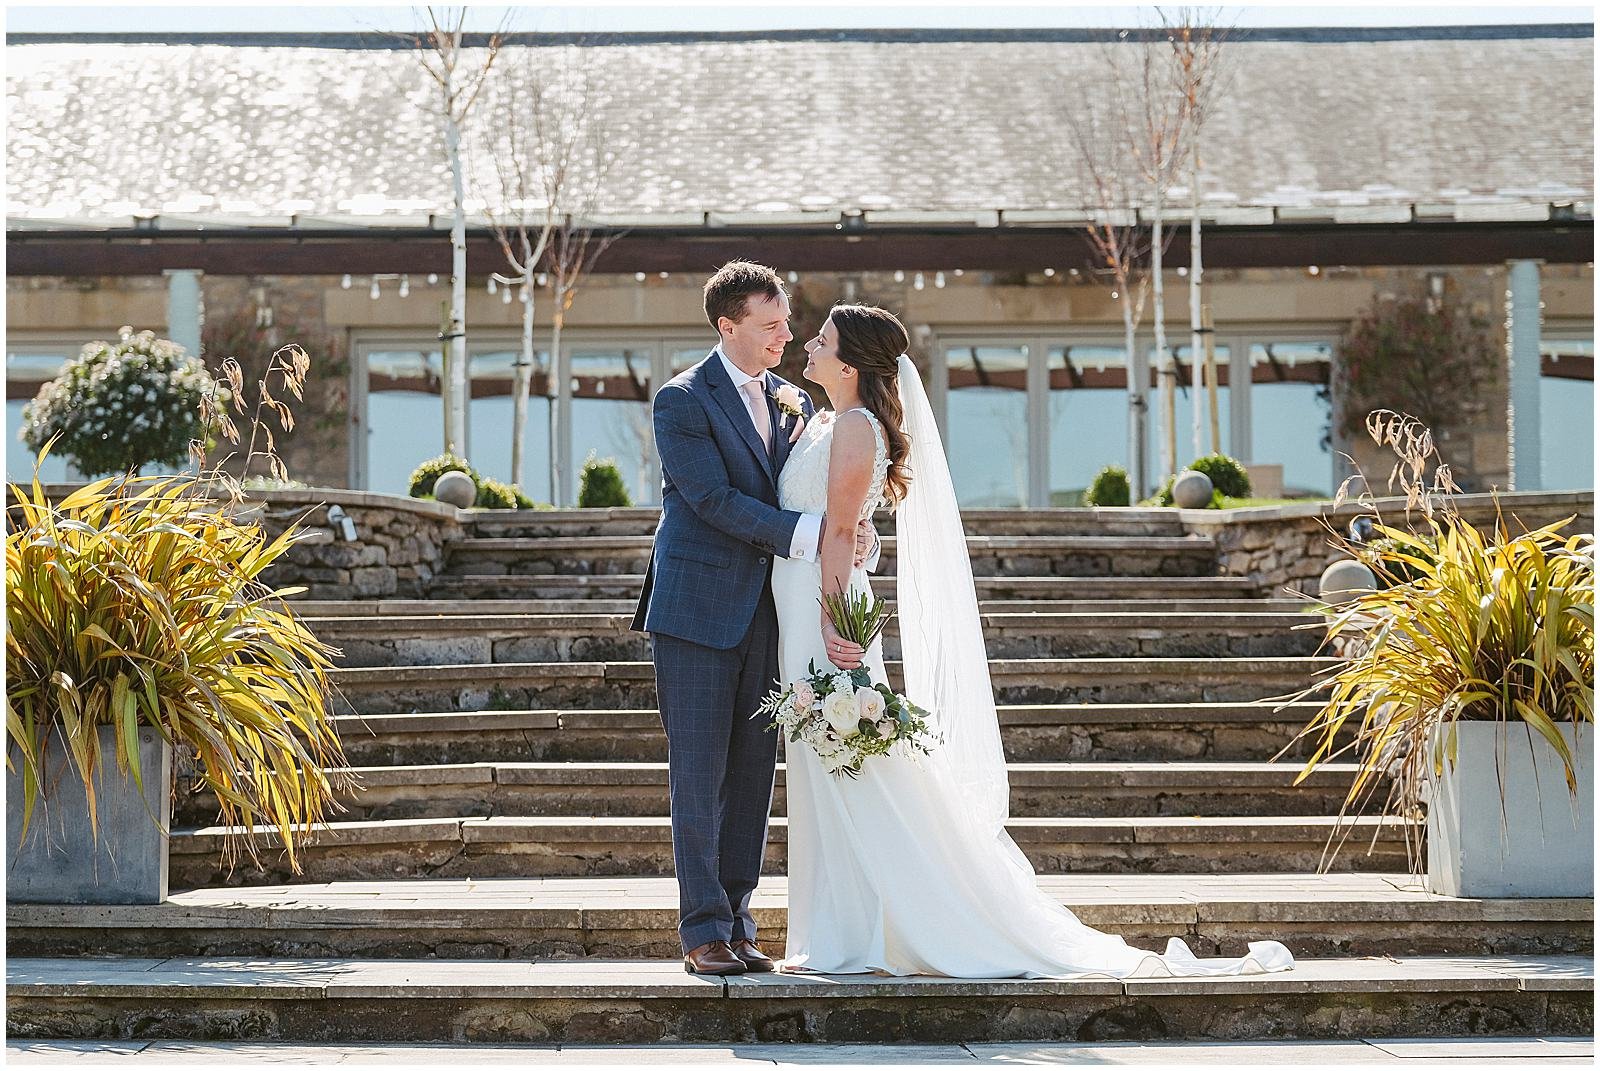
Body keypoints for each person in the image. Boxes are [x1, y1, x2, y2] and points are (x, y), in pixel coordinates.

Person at [773, 303, 1296, 979]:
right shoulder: (827, 421)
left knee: (848, 766)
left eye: (822, 340)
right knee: (833, 768)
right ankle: (842, 931)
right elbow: (840, 524)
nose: (808, 345)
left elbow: (841, 534)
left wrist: (833, 622)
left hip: (826, 617)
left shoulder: (851, 426)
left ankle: (857, 934)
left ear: (848, 363)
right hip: (806, 607)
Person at [631, 261, 875, 976]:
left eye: (787, 322)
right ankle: (701, 928)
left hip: (769, 611)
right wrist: (811, 533)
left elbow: (830, 487)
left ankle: (739, 919)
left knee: (752, 775)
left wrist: (855, 533)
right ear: (726, 326)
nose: (786, 336)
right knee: (699, 773)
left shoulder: (794, 399)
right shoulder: (681, 401)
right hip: (695, 610)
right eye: (770, 326)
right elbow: (710, 500)